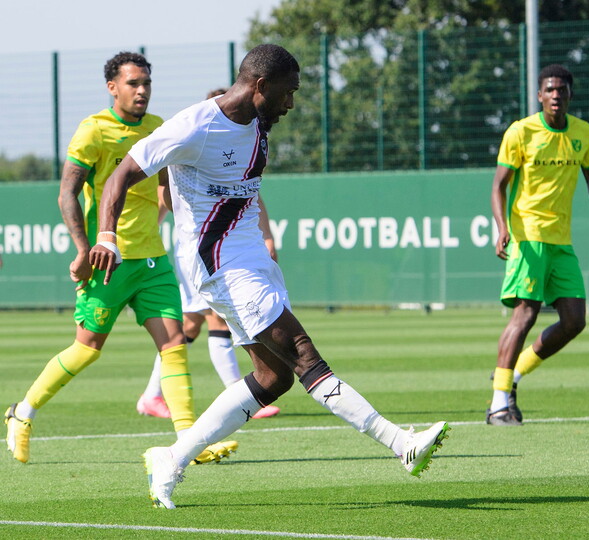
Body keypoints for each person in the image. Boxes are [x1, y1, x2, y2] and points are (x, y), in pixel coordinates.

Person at [89, 44, 450, 509]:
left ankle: (172, 459)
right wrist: (106, 236)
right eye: (289, 92)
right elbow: (120, 176)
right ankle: (402, 444)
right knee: (303, 353)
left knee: (272, 377)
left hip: (253, 264)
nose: (292, 104)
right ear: (261, 85)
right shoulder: (194, 125)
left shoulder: (258, 123)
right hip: (220, 266)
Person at [3, 52, 236, 465]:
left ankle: (187, 441)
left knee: (175, 345)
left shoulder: (157, 128)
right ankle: (22, 413)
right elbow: (67, 194)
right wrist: (82, 249)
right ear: (113, 87)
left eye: (146, 82)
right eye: (133, 83)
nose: (142, 90)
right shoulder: (93, 131)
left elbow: (166, 189)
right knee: (87, 348)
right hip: (108, 261)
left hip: (153, 261)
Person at [137, 87, 280, 421]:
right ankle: (244, 394)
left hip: (219, 250)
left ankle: (150, 396)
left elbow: (253, 197)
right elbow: (166, 203)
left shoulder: (243, 148)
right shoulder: (193, 145)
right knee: (214, 321)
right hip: (200, 251)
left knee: (187, 328)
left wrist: (268, 236)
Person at [487, 64, 589, 426]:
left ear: (570, 94)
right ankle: (498, 403)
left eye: (562, 89)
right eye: (549, 89)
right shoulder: (521, 132)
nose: (556, 95)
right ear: (540, 96)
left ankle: (513, 378)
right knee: (524, 314)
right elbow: (498, 185)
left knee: (575, 320)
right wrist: (502, 227)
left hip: (561, 240)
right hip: (527, 238)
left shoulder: (583, 134)